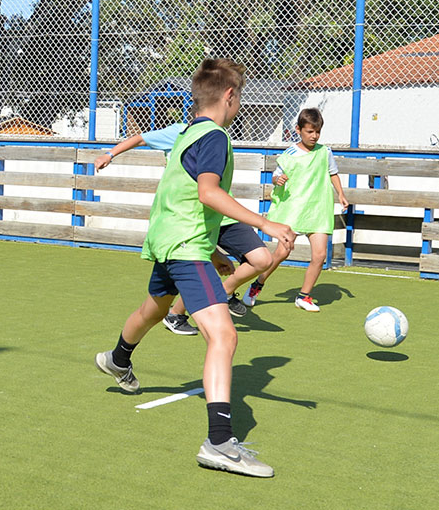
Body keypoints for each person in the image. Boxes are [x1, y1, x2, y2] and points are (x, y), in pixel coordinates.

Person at [94, 58, 295, 477]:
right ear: (229, 96)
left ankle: (117, 358)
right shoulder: (217, 136)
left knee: (150, 312)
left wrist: (215, 255)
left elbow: (184, 194)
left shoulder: (186, 134)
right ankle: (220, 442)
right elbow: (207, 192)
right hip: (184, 245)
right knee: (223, 335)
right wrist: (264, 222)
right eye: (239, 97)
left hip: (167, 241)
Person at [96, 122, 275, 335]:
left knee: (262, 259)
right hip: (190, 221)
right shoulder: (181, 131)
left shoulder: (218, 134)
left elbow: (211, 187)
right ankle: (169, 320)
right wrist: (109, 154)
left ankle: (221, 293)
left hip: (221, 213)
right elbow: (141, 138)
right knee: (163, 302)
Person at [243, 108, 349, 312]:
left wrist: (341, 194)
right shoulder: (290, 154)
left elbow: (332, 173)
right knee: (282, 253)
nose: (314, 136)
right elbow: (276, 176)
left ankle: (304, 296)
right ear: (298, 130)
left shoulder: (325, 152)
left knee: (319, 256)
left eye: (317, 132)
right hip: (294, 210)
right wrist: (278, 180)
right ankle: (257, 285)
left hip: (318, 209)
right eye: (310, 131)